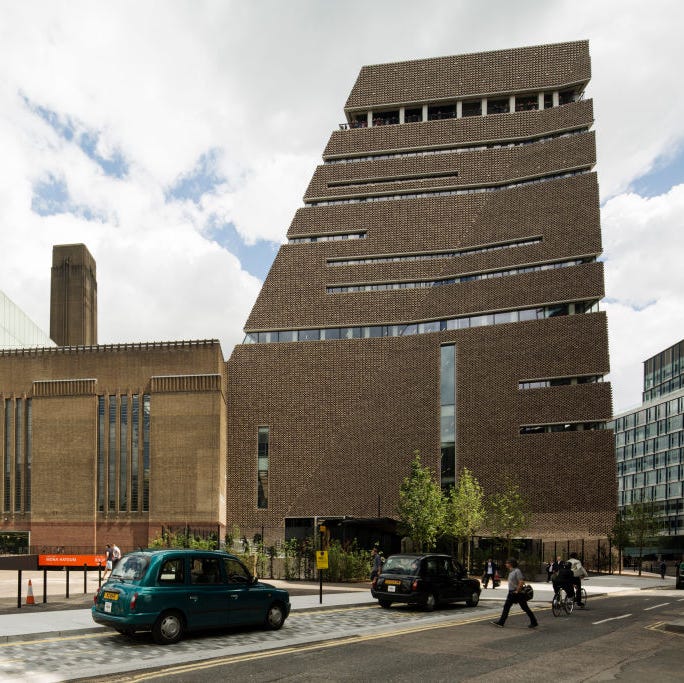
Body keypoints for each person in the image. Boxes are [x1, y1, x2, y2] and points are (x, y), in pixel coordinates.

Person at [491, 558, 538, 629]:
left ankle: (501, 622)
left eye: (507, 563)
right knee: (510, 607)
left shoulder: (517, 571)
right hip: (512, 592)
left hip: (516, 593)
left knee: (521, 607)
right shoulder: (511, 572)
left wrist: (517, 590)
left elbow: (521, 581)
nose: (505, 564)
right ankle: (534, 622)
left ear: (511, 564)